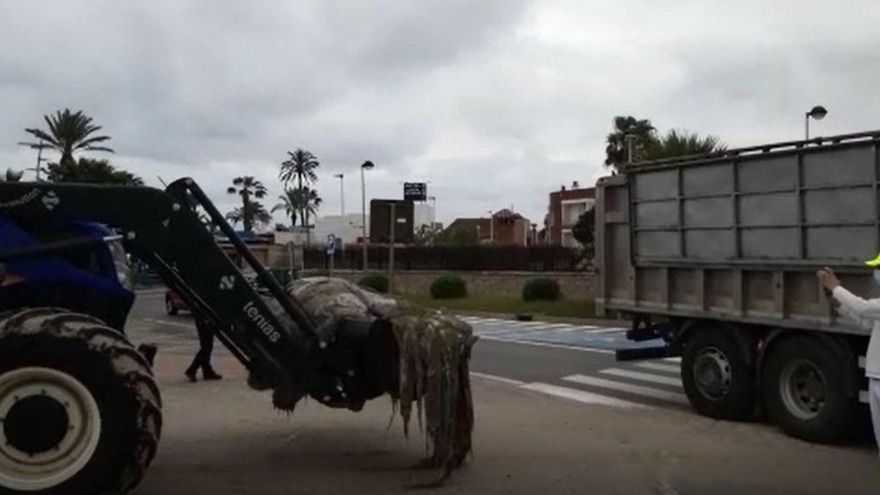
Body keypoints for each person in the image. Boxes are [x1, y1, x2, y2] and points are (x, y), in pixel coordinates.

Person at [818, 259, 880, 457]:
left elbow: (863, 308)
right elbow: (864, 322)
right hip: (875, 377)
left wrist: (836, 288)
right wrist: (836, 303)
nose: (876, 273)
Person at [185, 314, 222, 382]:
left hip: (203, 321)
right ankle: (192, 370)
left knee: (207, 347)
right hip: (204, 321)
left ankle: (207, 371)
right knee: (206, 347)